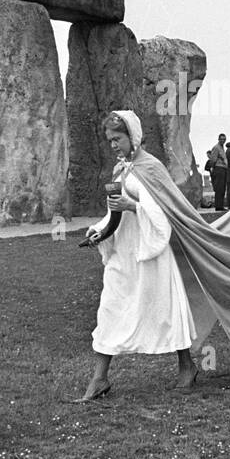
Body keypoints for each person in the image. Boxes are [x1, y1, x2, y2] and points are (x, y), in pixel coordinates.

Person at [77, 112, 197, 400]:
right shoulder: (122, 171)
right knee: (110, 307)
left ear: (133, 136)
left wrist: (133, 205)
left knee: (164, 309)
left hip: (150, 251)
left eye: (117, 139)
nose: (113, 145)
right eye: (110, 141)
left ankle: (187, 366)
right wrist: (98, 231)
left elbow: (163, 213)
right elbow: (113, 214)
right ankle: (99, 378)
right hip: (124, 252)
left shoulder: (151, 168)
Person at [206, 133, 228, 211]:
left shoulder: (222, 148)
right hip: (218, 169)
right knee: (219, 188)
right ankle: (218, 206)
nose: (223, 140)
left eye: (224, 139)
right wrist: (213, 168)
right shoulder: (216, 148)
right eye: (221, 139)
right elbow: (213, 159)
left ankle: (220, 205)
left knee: (222, 188)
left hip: (224, 169)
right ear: (218, 139)